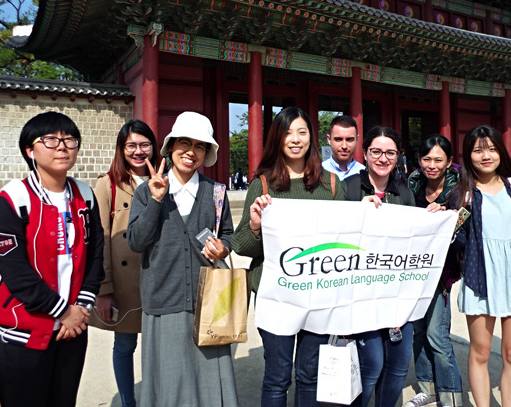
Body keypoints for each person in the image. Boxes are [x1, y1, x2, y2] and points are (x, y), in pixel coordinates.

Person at [0, 111, 104, 407]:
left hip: (72, 331)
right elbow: (15, 271)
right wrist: (62, 311)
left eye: (69, 139)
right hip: (23, 332)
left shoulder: (85, 195)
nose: (62, 146)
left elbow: (95, 255)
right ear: (30, 150)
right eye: (50, 139)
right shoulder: (13, 198)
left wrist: (81, 306)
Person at [232, 107, 346, 406]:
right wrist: (256, 225)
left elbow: (347, 240)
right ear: (277, 139)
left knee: (310, 376)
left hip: (318, 295)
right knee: (277, 377)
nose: (295, 139)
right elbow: (242, 246)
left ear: (312, 137)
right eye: (287, 133)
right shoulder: (263, 183)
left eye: (302, 132)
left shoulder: (332, 185)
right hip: (277, 297)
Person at [127, 111, 238, 406]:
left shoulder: (215, 193)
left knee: (209, 381)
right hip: (165, 296)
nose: (191, 152)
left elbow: (228, 234)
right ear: (171, 147)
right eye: (184, 143)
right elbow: (136, 241)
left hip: (210, 301)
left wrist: (223, 248)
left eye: (199, 146)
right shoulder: (147, 190)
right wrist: (156, 201)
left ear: (206, 153)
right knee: (168, 382)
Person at [450, 125, 511, 407]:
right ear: (469, 155)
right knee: (480, 352)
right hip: (480, 279)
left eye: (491, 148)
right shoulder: (463, 194)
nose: (486, 156)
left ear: (500, 152)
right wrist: (447, 223)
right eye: (478, 150)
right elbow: (458, 244)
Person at [344, 126, 415, 407]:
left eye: (390, 153)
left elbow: (414, 248)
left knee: (398, 367)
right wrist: (356, 213)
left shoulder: (406, 195)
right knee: (371, 366)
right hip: (360, 296)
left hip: (397, 295)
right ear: (365, 153)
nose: (383, 158)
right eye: (376, 151)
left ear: (398, 157)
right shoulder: (348, 189)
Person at [91, 120, 160, 407]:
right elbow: (100, 239)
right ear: (121, 149)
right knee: (124, 345)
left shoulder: (167, 179)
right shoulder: (107, 184)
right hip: (124, 281)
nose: (138, 151)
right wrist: (103, 290)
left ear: (154, 147)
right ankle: (129, 402)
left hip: (160, 277)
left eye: (144, 144)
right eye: (131, 145)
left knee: (159, 347)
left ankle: (159, 397)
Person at [405, 134, 463, 407]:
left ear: (449, 162)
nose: (432, 164)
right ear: (419, 160)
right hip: (411, 272)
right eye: (426, 158)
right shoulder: (410, 186)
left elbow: (465, 236)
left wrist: (445, 221)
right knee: (417, 332)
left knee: (437, 336)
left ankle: (451, 396)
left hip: (440, 275)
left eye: (438, 159)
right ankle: (427, 389)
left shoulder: (459, 192)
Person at [322, 114, 365, 180]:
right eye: (338, 139)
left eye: (349, 140)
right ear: (329, 139)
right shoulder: (318, 172)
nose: (344, 146)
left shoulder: (365, 174)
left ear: (357, 140)